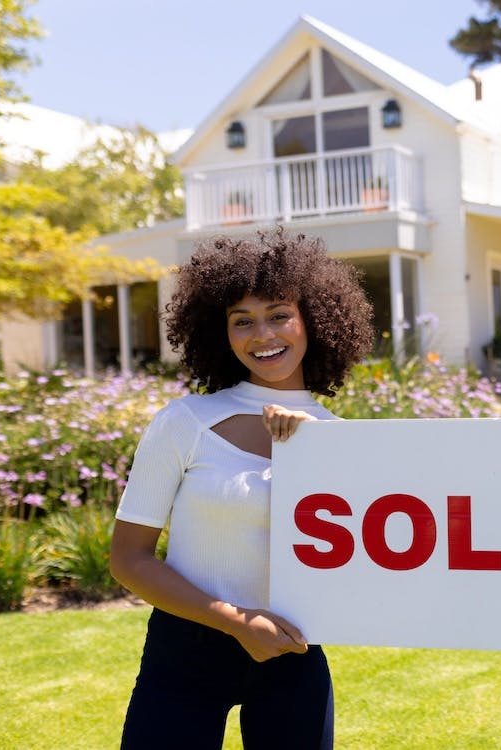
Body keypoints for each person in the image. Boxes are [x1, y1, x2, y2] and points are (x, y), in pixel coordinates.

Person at [109, 228, 373, 749]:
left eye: (279, 314)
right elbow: (128, 559)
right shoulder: (185, 421)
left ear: (312, 319)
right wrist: (235, 622)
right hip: (183, 653)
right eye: (241, 320)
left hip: (293, 655)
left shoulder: (340, 440)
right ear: (220, 333)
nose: (262, 333)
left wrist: (319, 457)